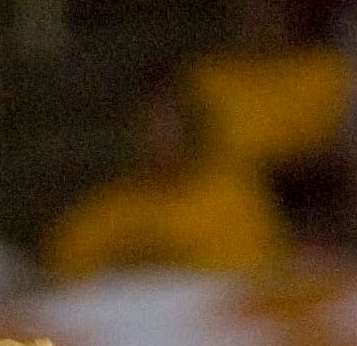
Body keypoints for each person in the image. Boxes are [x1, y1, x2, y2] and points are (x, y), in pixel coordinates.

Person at [42, 73, 286, 279]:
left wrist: (165, 258)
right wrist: (127, 259)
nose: (160, 137)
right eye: (152, 125)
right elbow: (64, 261)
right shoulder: (115, 201)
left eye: (170, 125)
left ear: (191, 128)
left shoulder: (233, 195)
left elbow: (253, 268)